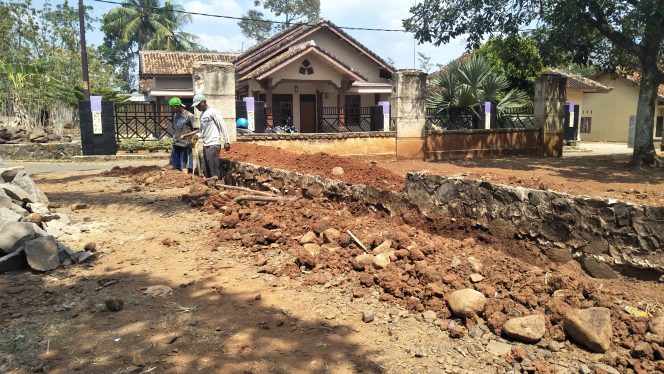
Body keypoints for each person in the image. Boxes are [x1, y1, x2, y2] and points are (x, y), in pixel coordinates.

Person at [183, 94, 231, 179]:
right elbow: (201, 131)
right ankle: (210, 186)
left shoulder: (213, 111)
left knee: (213, 168)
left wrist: (227, 141)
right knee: (206, 168)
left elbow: (222, 125)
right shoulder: (202, 115)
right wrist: (193, 137)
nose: (197, 107)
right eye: (196, 106)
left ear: (204, 102)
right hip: (206, 145)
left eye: (198, 105)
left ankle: (217, 185)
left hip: (213, 144)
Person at [162, 97, 196, 172]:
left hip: (185, 143)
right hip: (177, 141)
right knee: (175, 163)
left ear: (178, 106)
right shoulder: (176, 115)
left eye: (173, 107)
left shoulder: (189, 115)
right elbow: (176, 128)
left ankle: (187, 172)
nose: (172, 109)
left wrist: (188, 136)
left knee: (184, 164)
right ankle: (176, 168)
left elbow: (196, 129)